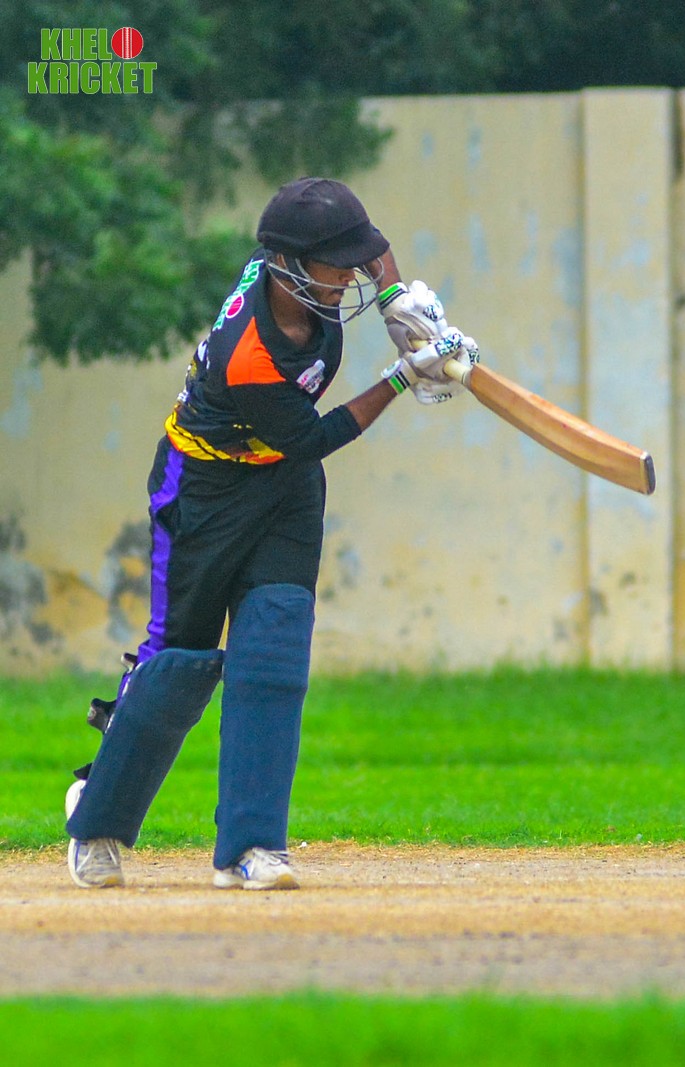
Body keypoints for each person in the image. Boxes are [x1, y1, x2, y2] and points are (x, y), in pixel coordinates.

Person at [63, 177, 474, 890]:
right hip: (202, 491)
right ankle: (97, 813)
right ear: (286, 265)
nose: (348, 276)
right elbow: (313, 437)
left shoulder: (299, 270)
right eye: (335, 265)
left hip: (284, 489)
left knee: (275, 643)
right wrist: (405, 375)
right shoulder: (248, 352)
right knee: (179, 664)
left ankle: (252, 847)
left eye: (353, 262)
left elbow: (373, 255)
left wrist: (397, 298)